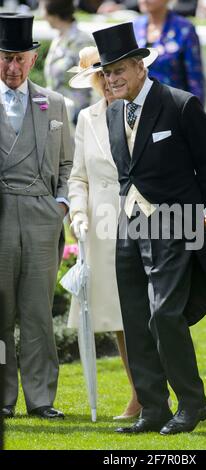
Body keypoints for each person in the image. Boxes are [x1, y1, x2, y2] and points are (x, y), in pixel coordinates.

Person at [87, 22, 206, 435]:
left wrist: (187, 211)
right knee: (135, 315)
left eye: (119, 71)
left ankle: (191, 403)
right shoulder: (114, 113)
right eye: (106, 73)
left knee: (165, 313)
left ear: (140, 67)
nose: (111, 80)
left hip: (174, 224)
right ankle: (153, 408)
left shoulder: (181, 105)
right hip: (128, 225)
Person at [0, 13, 73, 419]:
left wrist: (59, 206)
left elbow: (68, 166)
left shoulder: (56, 103)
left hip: (42, 216)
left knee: (38, 313)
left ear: (33, 59)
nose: (13, 68)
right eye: (5, 58)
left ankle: (41, 398)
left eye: (20, 59)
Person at [67, 46, 141, 420]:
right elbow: (78, 176)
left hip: (144, 223)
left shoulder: (141, 110)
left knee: (149, 311)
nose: (107, 82)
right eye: (100, 76)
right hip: (101, 227)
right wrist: (78, 213)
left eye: (111, 73)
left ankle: (164, 388)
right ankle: (137, 393)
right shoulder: (86, 118)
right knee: (116, 315)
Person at [134, 0, 206, 103]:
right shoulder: (134, 26)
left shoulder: (184, 29)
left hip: (174, 109)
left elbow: (195, 81)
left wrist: (195, 114)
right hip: (138, 108)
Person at [43, 0, 93, 124]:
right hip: (57, 113)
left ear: (54, 14)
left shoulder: (82, 41)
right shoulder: (59, 38)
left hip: (78, 117)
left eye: (44, 11)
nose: (43, 16)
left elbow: (94, 81)